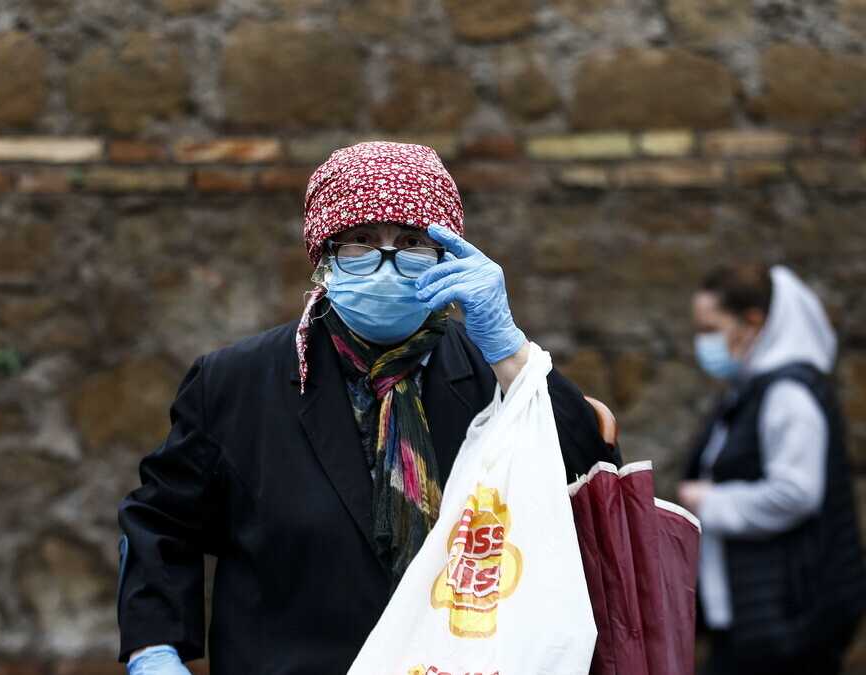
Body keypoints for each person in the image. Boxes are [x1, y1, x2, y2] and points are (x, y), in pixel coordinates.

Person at [115, 141, 620, 674]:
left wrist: (512, 354)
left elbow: (593, 483)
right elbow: (162, 520)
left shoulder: (488, 372)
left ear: (449, 257)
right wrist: (156, 650)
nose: (386, 263)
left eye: (411, 243)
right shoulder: (236, 383)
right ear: (324, 259)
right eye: (360, 242)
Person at [679, 264, 866, 675]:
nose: (704, 341)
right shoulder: (752, 390)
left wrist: (711, 500)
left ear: (753, 322)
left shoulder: (788, 395)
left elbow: (796, 493)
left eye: (712, 328)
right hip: (753, 618)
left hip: (786, 621)